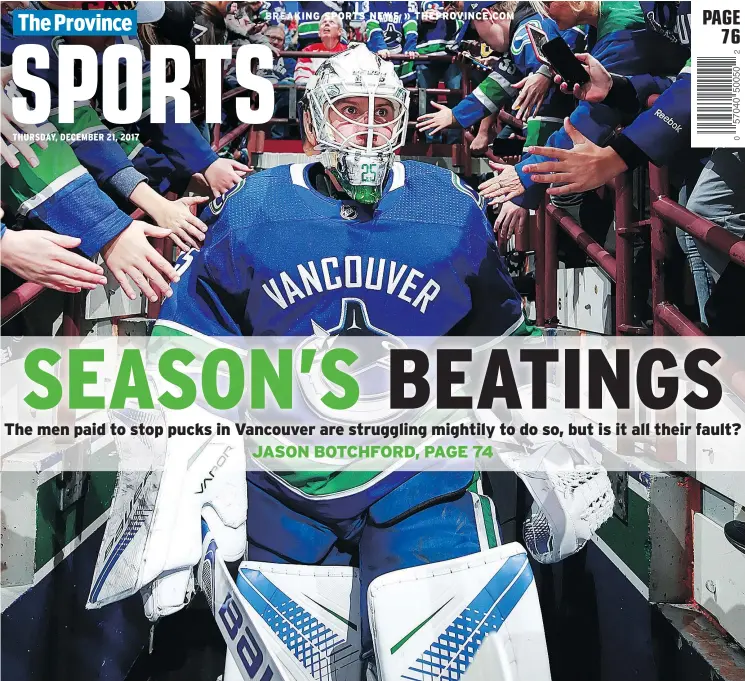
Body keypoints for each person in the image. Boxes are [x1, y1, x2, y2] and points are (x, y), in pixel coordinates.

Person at [147, 46, 612, 677]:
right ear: (313, 122)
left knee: (456, 664)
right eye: (348, 111)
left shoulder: (447, 201)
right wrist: (186, 460)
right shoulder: (255, 206)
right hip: (286, 481)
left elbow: (496, 334)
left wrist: (551, 426)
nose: (367, 128)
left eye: (382, 111)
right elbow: (190, 344)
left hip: (423, 472)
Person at [365, 1, 418, 83]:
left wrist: (410, 47)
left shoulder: (408, 3)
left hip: (401, 59)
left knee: (407, 90)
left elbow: (411, 25)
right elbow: (372, 27)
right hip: (378, 57)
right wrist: (381, 47)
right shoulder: (371, 2)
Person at [294, 12, 348, 86]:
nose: (326, 24)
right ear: (319, 33)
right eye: (324, 22)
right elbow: (301, 79)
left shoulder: (349, 51)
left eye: (331, 22)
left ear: (339, 31)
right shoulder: (308, 51)